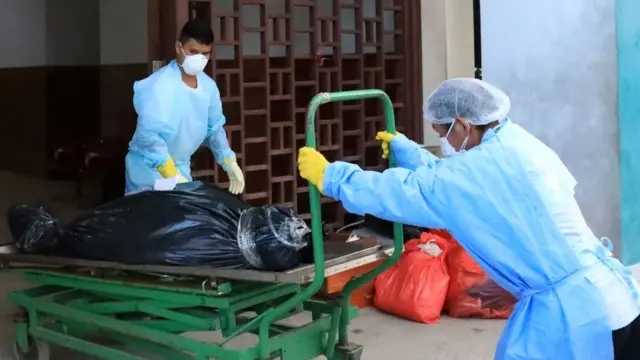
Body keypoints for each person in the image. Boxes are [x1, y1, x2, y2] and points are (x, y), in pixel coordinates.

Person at [297, 78, 640, 359]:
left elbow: (414, 192)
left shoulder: (478, 169)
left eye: (442, 133)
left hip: (579, 315)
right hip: (612, 295)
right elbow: (462, 186)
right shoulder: (514, 144)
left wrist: (333, 177)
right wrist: (413, 154)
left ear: (462, 124)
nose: (443, 143)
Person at [125, 19, 244, 195]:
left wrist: (229, 161)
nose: (199, 59)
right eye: (193, 51)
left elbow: (214, 129)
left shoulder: (208, 88)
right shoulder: (159, 85)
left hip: (180, 169)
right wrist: (168, 170)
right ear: (179, 48)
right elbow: (148, 134)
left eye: (205, 54)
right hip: (148, 170)